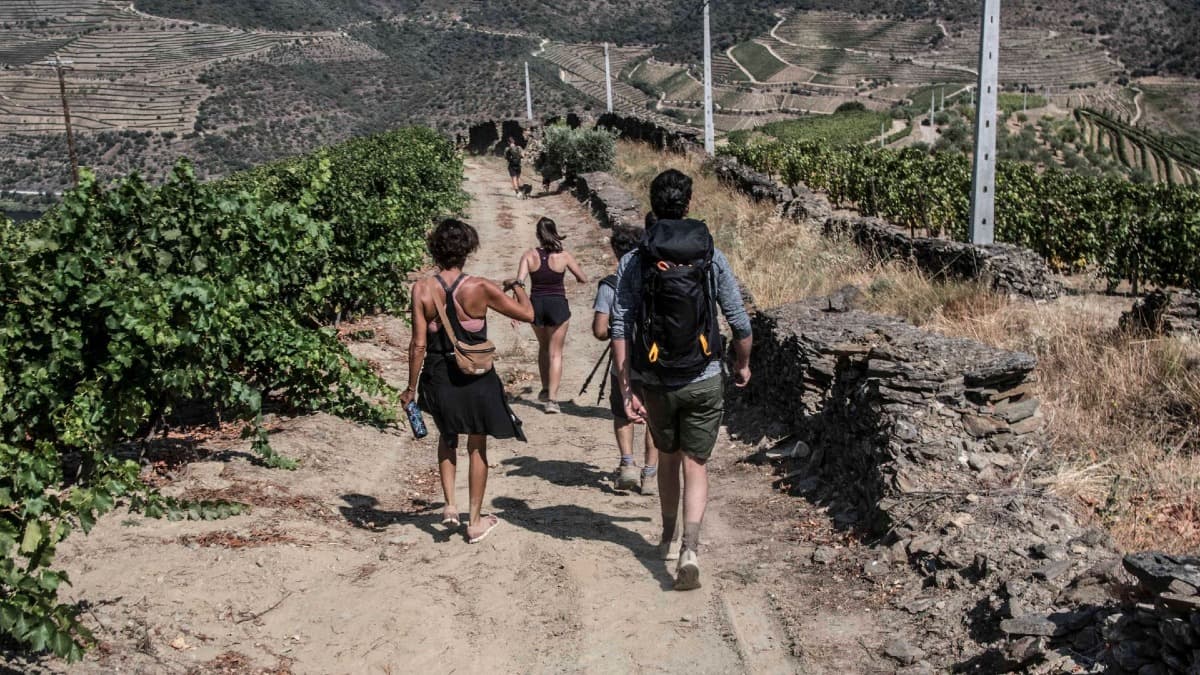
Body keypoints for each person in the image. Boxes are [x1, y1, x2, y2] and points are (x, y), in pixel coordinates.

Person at [610, 169, 753, 591]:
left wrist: (627, 385)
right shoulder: (710, 255)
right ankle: (691, 549)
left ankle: (668, 539)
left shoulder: (636, 259)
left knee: (668, 459)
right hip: (704, 374)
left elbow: (621, 322)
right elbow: (739, 321)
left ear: (653, 205)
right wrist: (743, 364)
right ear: (688, 204)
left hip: (656, 379)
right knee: (696, 464)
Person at [402, 218, 534, 544]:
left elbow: (418, 344)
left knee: (447, 437)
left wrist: (410, 387)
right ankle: (474, 521)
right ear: (468, 250)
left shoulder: (422, 289)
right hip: (476, 377)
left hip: (438, 374)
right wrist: (517, 285)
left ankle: (450, 506)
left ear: (435, 249)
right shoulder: (481, 287)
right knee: (477, 444)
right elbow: (527, 314)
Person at [592, 225, 659, 494]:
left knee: (623, 413)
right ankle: (650, 473)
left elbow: (599, 331)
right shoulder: (655, 279)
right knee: (653, 416)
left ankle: (628, 464)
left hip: (622, 362)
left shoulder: (610, 285)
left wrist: (617, 332)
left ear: (615, 251)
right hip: (654, 359)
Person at [516, 217, 588, 413]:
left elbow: (519, 283)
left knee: (543, 346)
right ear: (554, 232)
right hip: (557, 305)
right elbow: (583, 278)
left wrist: (517, 306)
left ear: (537, 235)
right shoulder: (564, 256)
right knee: (556, 353)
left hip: (536, 305)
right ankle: (552, 401)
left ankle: (546, 387)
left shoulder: (529, 255)